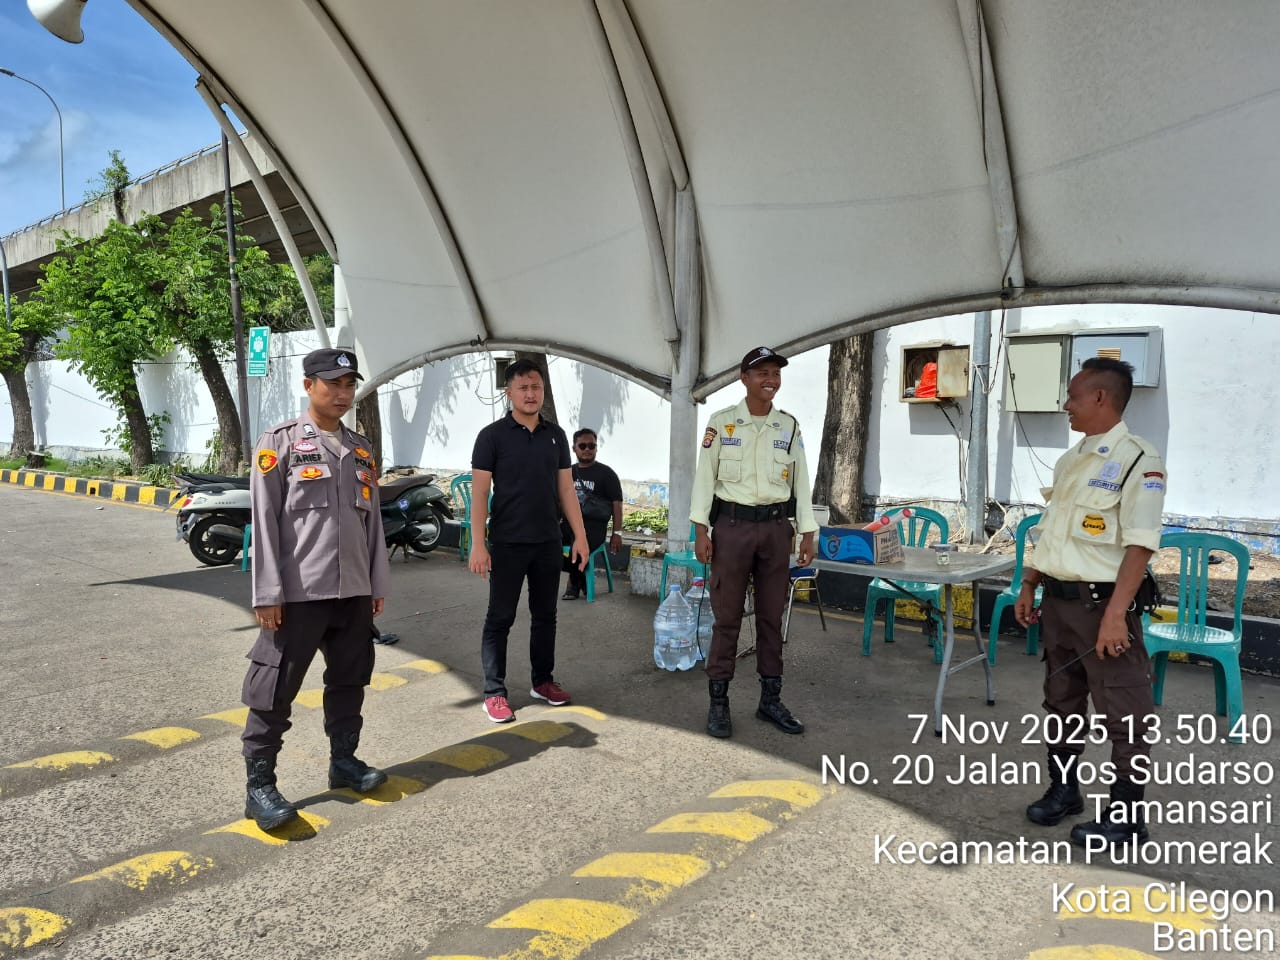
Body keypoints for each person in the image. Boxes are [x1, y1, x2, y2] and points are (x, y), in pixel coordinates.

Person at [1014, 357, 1167, 848]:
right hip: (1059, 606)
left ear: (1100, 397)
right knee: (1061, 702)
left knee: (1124, 712)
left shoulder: (1139, 460)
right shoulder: (1071, 460)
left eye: (1073, 397)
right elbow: (1053, 531)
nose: (1066, 405)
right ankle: (1064, 792)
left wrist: (1116, 616)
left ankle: (1126, 815)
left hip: (1103, 608)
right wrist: (1030, 582)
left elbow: (1140, 545)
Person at [241, 348, 391, 831]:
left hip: (353, 593)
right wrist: (267, 592)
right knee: (274, 689)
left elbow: (373, 524)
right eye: (333, 384)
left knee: (350, 680)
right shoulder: (279, 443)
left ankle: (344, 762)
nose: (343, 394)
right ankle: (259, 787)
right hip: (299, 594)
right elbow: (264, 520)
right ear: (309, 386)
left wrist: (375, 584)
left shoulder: (360, 449)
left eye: (349, 385)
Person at [689, 346, 818, 739]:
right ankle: (719, 704)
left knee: (770, 617)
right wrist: (700, 530)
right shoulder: (722, 424)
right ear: (744, 378)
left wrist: (808, 530)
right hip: (732, 528)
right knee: (727, 618)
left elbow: (801, 480)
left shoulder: (788, 426)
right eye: (762, 373)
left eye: (775, 374)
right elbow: (705, 478)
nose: (770, 380)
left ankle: (770, 700)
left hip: (776, 530)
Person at [469, 359, 588, 723]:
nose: (531, 394)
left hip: (547, 541)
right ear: (509, 393)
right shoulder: (491, 436)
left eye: (536, 387)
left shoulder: (556, 436)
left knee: (546, 615)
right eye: (523, 388)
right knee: (500, 618)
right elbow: (480, 492)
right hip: (507, 542)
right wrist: (478, 543)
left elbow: (566, 489)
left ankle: (543, 681)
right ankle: (494, 692)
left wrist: (580, 537)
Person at [560, 428, 624, 600]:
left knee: (580, 542)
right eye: (582, 446)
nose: (587, 449)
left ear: (596, 448)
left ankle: (573, 583)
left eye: (592, 446)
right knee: (545, 542)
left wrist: (617, 533)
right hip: (569, 523)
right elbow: (558, 498)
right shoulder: (567, 472)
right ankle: (581, 579)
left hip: (594, 525)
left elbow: (617, 504)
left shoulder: (607, 474)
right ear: (574, 448)